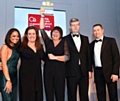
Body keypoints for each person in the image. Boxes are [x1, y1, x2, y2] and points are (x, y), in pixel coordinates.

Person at [40, 7, 70, 101]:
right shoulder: (48, 41)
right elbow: (41, 29)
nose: (55, 34)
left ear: (61, 34)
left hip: (60, 71)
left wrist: (55, 57)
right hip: (48, 71)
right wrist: (42, 15)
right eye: (53, 32)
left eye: (57, 32)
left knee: (60, 93)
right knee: (49, 93)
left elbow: (67, 57)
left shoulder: (64, 42)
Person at [64, 18, 92, 101]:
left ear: (79, 26)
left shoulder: (85, 39)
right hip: (71, 71)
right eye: (73, 25)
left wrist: (90, 70)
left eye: (77, 25)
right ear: (70, 27)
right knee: (71, 95)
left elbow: (88, 55)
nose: (75, 27)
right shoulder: (65, 39)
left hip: (83, 71)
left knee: (84, 95)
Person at [90, 24, 120, 101]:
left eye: (98, 30)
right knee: (100, 96)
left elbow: (116, 58)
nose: (96, 32)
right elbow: (90, 59)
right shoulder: (91, 45)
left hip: (110, 72)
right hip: (98, 72)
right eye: (94, 30)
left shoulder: (111, 41)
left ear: (102, 30)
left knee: (113, 96)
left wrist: (115, 73)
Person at [19, 26, 44, 101]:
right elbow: (11, 54)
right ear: (26, 35)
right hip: (26, 76)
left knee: (38, 96)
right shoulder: (21, 47)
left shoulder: (40, 47)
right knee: (27, 96)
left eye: (33, 33)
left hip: (37, 75)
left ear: (37, 35)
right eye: (29, 34)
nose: (32, 36)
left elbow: (46, 58)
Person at [0, 28, 21, 101]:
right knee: (7, 99)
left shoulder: (16, 49)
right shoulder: (5, 47)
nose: (16, 38)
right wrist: (8, 80)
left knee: (13, 99)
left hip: (14, 77)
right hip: (5, 77)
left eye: (17, 36)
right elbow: (4, 64)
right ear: (9, 37)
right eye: (13, 36)